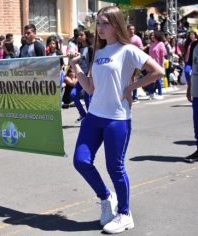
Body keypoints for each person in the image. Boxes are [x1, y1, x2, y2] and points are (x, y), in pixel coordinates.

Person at [68, 6, 164, 234]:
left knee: (115, 168)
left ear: (115, 24)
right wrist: (75, 67)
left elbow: (158, 71)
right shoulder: (99, 52)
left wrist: (132, 86)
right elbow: (91, 88)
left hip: (117, 119)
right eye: (98, 23)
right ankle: (105, 198)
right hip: (94, 117)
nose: (99, 28)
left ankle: (124, 214)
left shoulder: (128, 50)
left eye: (104, 23)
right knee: (81, 161)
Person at [184, 38, 198, 163]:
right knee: (197, 122)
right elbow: (190, 63)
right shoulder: (194, 44)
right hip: (196, 89)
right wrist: (187, 69)